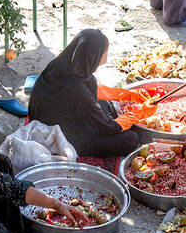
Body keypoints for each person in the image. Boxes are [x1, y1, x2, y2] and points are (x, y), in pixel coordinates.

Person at [28, 29, 156, 158]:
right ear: (91, 56)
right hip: (60, 136)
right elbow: (109, 127)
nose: (105, 61)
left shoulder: (64, 63)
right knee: (131, 138)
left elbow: (89, 89)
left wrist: (127, 94)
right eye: (104, 55)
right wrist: (138, 114)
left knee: (97, 91)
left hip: (56, 114)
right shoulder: (76, 90)